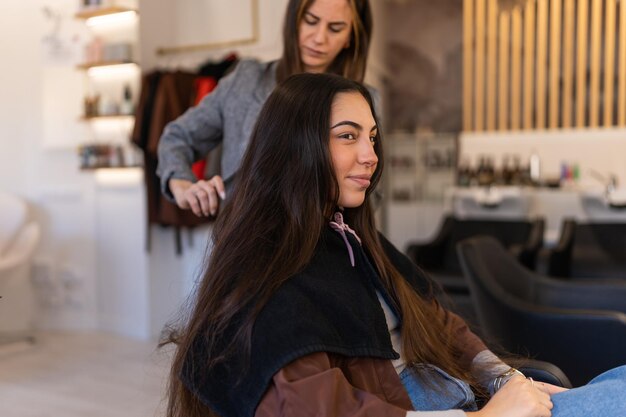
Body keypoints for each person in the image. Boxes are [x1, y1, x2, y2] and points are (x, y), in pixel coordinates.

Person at [164, 72, 626, 417]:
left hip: (461, 393)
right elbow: (317, 409)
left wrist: (509, 379)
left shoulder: (350, 235)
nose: (370, 155)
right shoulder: (268, 272)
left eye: (372, 137)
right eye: (348, 136)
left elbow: (438, 322)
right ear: (295, 146)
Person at [157, 0, 374, 218]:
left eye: (335, 28)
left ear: (351, 37)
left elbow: (373, 193)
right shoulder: (246, 81)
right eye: (310, 21)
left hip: (326, 245)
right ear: (293, 21)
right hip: (242, 242)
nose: (319, 38)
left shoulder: (364, 103)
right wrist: (182, 185)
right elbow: (177, 138)